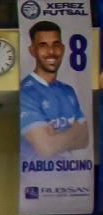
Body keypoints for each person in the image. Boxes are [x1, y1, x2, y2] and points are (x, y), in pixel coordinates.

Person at [20, 20, 90, 160]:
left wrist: (56, 137)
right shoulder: (25, 93)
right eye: (43, 45)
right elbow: (46, 148)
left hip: (70, 172)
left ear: (63, 48)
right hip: (37, 173)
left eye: (56, 44)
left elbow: (85, 140)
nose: (51, 51)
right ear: (32, 50)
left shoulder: (68, 91)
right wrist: (75, 130)